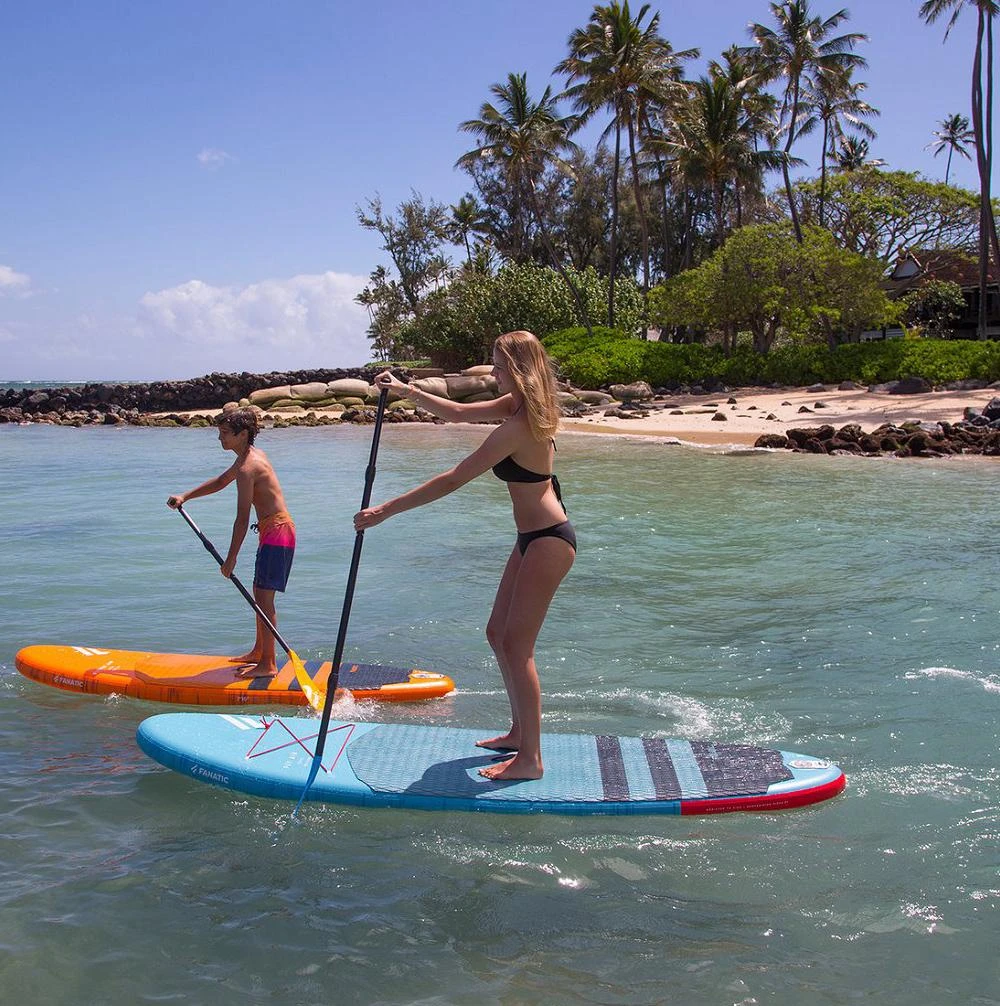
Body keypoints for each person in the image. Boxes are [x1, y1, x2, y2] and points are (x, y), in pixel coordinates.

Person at [354, 330, 576, 780]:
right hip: (532, 538)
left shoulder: (518, 426)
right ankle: (519, 733)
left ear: (517, 369)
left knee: (517, 646)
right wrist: (404, 390)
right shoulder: (518, 406)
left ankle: (531, 759)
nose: (492, 371)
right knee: (498, 633)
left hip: (549, 540)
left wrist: (386, 510)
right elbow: (455, 411)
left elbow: (454, 478)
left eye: (498, 364)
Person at [167, 407, 295, 679]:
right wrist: (185, 496)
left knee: (264, 600)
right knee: (259, 594)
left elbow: (242, 518)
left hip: (278, 533)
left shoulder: (249, 467)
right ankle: (259, 652)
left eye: (225, 433)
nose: (220, 438)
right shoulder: (247, 458)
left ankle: (268, 664)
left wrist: (231, 559)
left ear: (243, 434)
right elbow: (221, 481)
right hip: (274, 531)